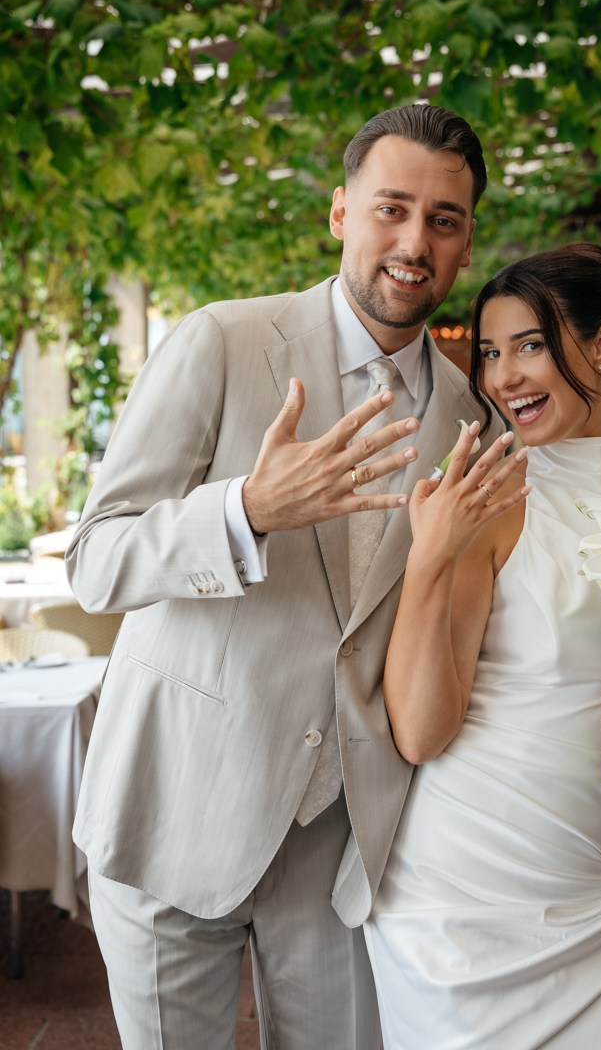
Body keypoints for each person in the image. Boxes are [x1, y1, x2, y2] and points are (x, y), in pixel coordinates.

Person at [65, 103, 509, 1050]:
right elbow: (96, 559)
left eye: (443, 219)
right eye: (391, 207)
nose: (412, 241)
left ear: (467, 244)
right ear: (340, 212)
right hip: (172, 805)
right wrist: (244, 511)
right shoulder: (221, 342)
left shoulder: (477, 422)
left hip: (343, 847)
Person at [363, 243, 601, 1050]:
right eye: (489, 354)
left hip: (599, 879)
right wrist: (429, 555)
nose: (503, 378)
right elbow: (421, 733)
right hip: (464, 893)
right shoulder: (491, 504)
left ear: (600, 344)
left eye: (529, 345)